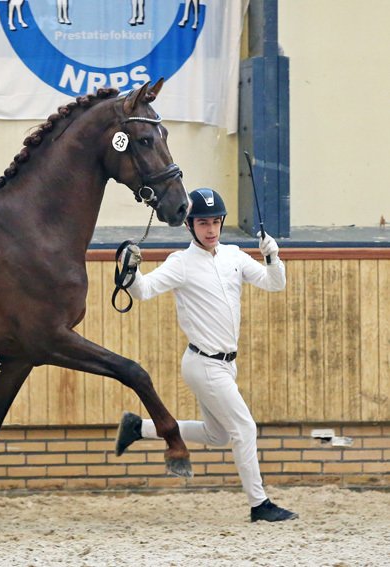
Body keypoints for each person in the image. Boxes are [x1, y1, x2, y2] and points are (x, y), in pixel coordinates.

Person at [114, 188, 298, 523]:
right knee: (245, 429)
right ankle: (259, 504)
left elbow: (274, 284)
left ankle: (139, 428)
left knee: (218, 435)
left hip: (226, 365)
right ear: (190, 226)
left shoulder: (234, 256)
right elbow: (144, 291)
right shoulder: (181, 263)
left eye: (215, 222)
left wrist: (272, 256)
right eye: (203, 223)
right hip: (203, 363)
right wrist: (131, 273)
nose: (211, 229)